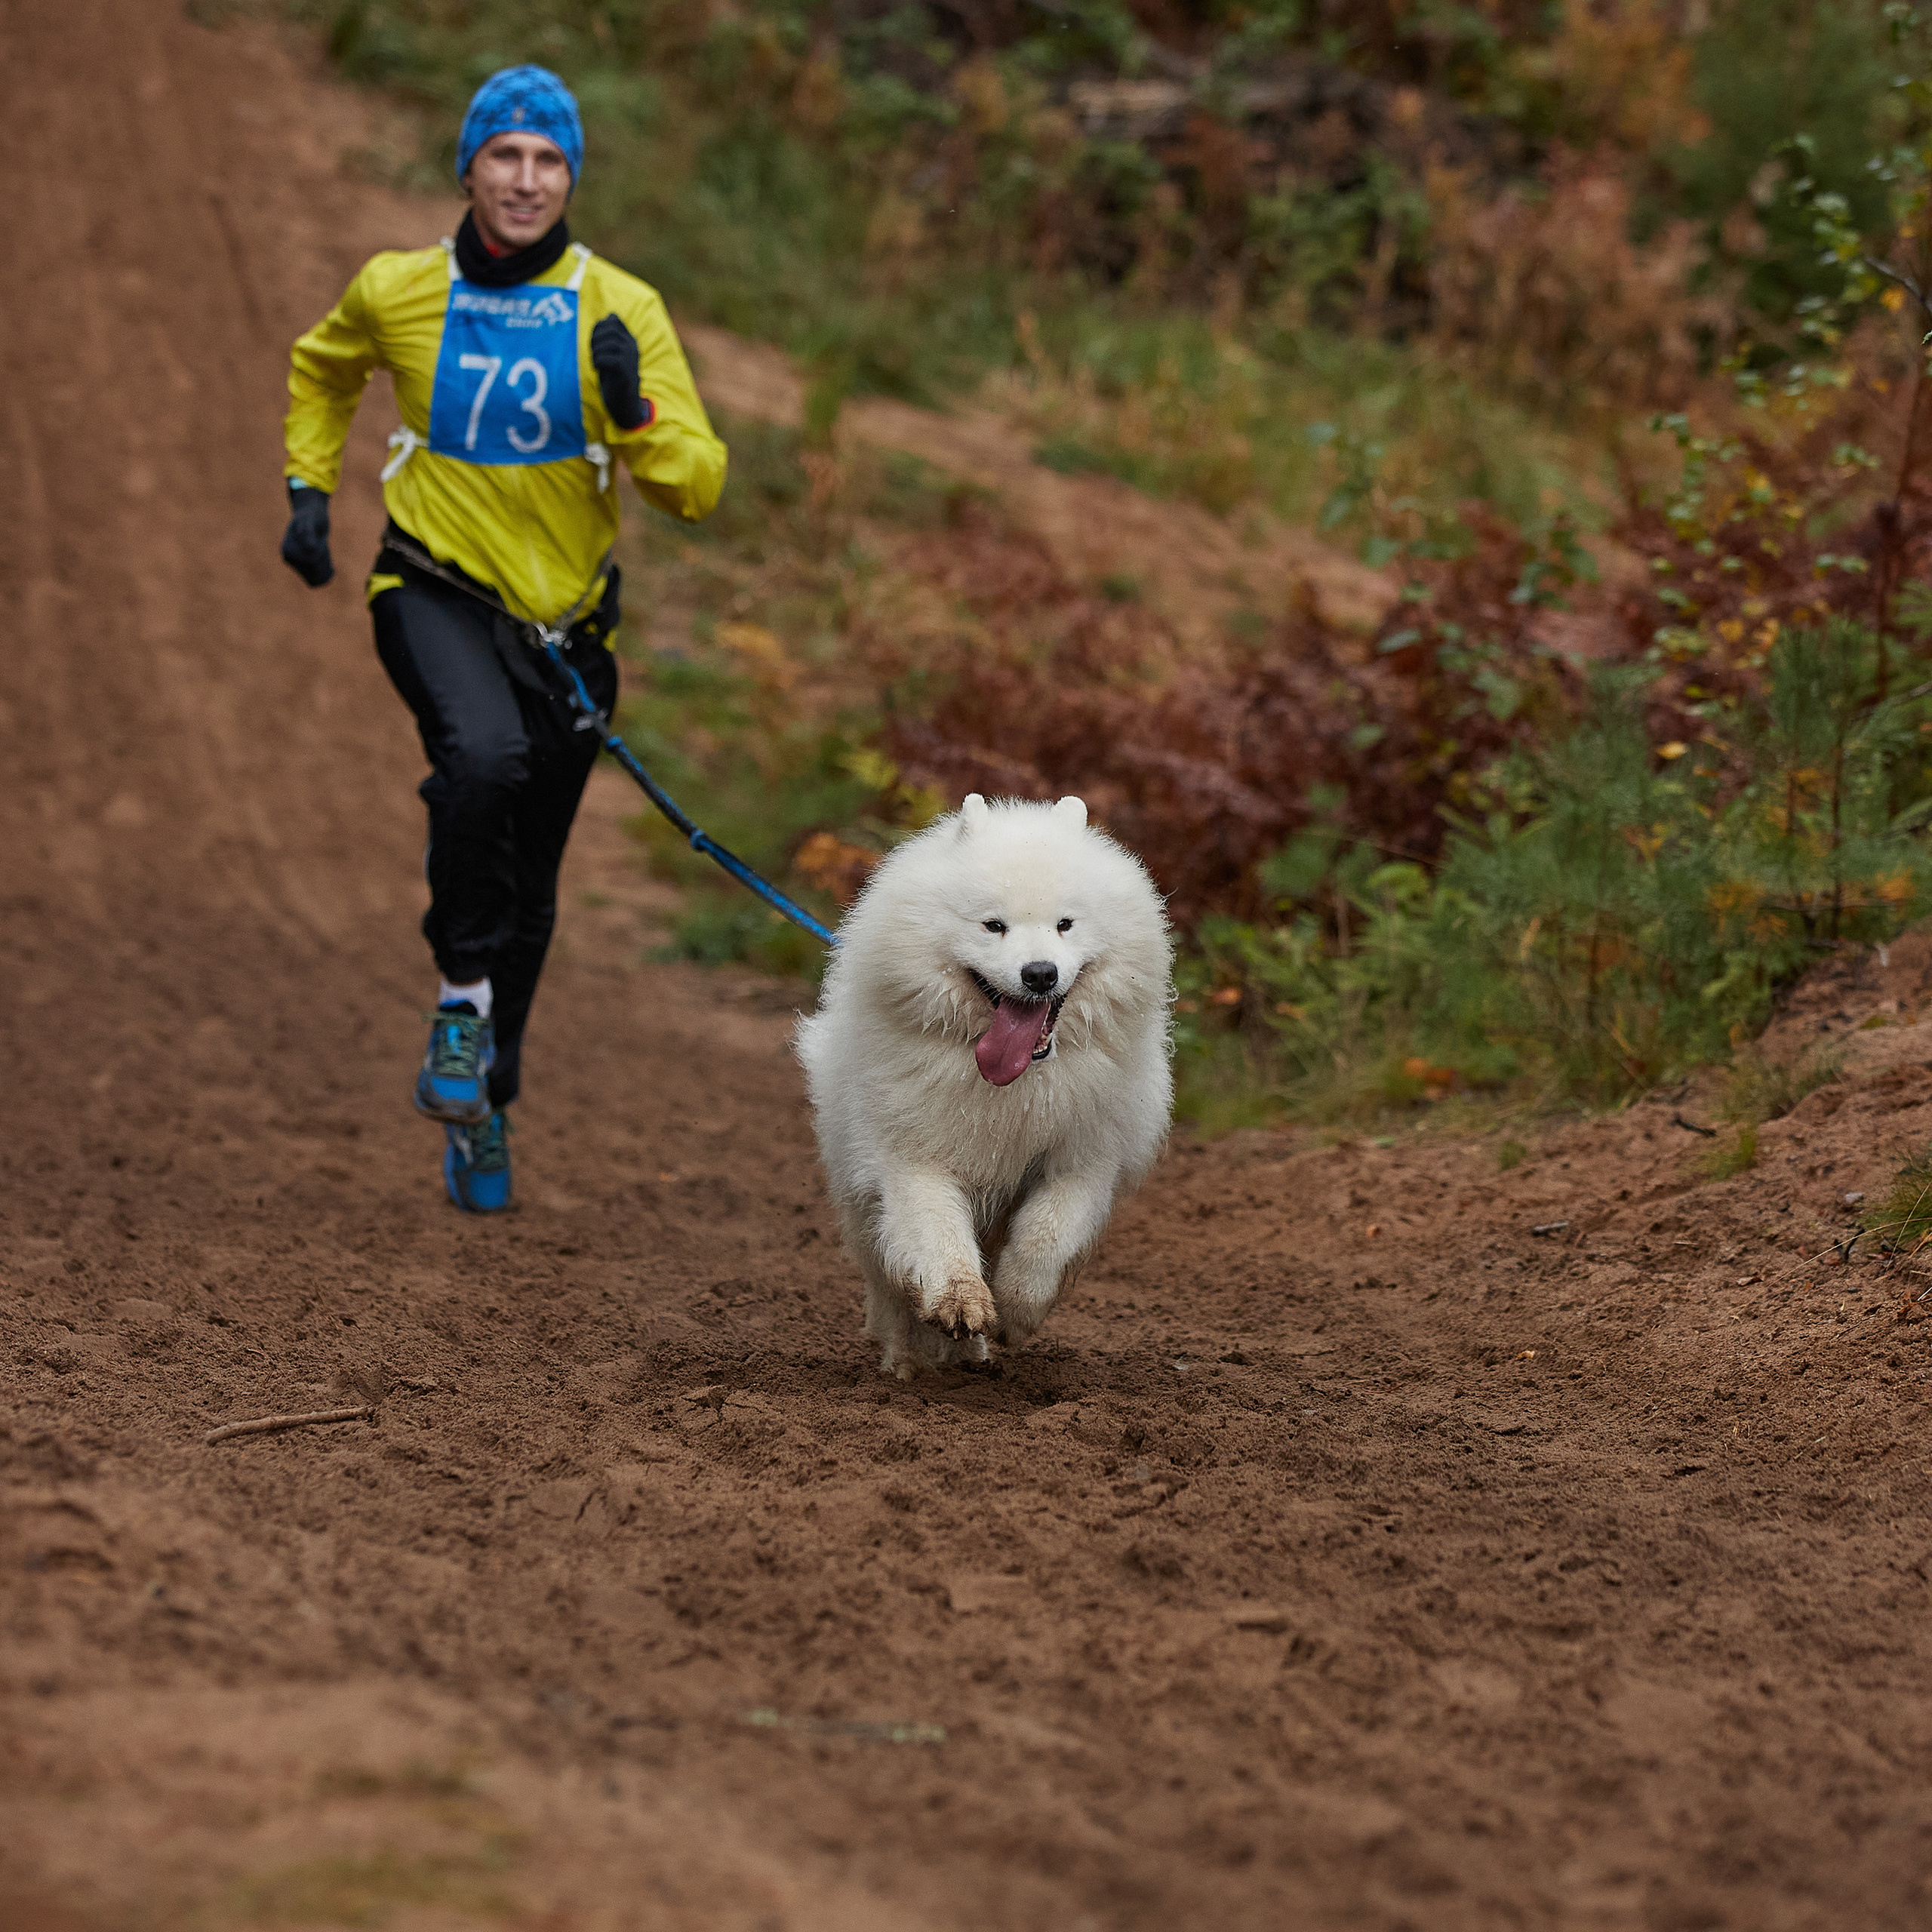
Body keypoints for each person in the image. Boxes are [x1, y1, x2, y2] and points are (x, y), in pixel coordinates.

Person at [281, 65, 726, 1213]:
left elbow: (697, 489)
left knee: (533, 878)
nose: (525, 180)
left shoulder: (619, 308)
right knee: (482, 759)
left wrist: (634, 417)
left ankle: (487, 1096)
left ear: (570, 176)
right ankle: (460, 1000)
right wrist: (307, 490)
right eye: (505, 156)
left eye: (548, 160)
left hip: (567, 628)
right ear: (468, 167)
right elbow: (322, 369)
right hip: (428, 583)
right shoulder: (399, 288)